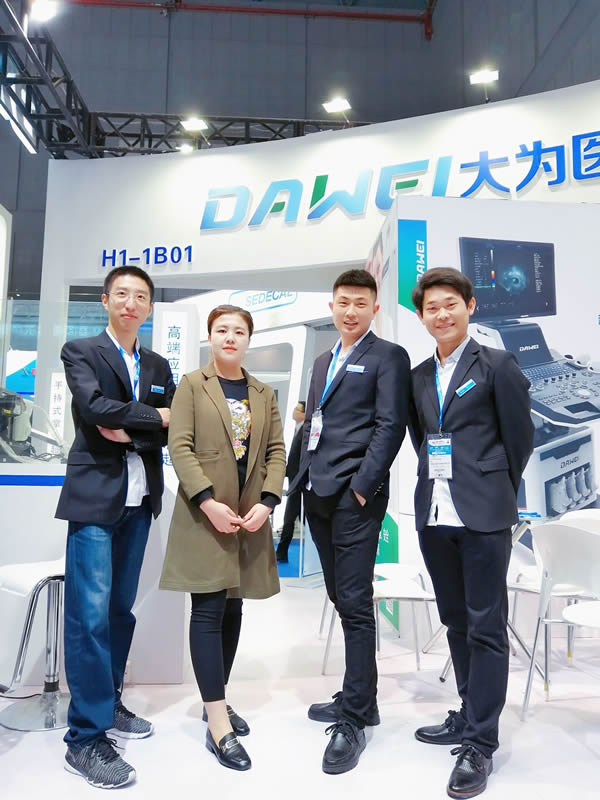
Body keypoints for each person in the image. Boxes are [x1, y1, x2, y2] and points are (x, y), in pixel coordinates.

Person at [408, 268, 534, 799]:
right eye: (431, 308)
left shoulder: (498, 365)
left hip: (483, 515)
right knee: (456, 622)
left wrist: (492, 487)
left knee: (486, 627)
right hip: (436, 513)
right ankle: (467, 712)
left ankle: (481, 743)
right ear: (422, 316)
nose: (441, 314)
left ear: (470, 306)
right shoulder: (418, 375)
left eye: (450, 304)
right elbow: (422, 437)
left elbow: (520, 438)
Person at [56, 266, 175, 789]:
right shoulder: (81, 351)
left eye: (140, 296)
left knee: (119, 610)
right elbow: (93, 408)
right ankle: (85, 738)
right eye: (122, 294)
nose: (131, 302)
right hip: (94, 499)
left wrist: (131, 432)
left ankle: (110, 702)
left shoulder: (158, 364)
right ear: (106, 300)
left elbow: (173, 425)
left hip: (140, 500)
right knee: (88, 617)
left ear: (149, 307)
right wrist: (153, 417)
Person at [289, 269, 411, 775]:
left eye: (361, 303)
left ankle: (356, 717)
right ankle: (362, 696)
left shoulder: (388, 356)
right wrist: (299, 478)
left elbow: (390, 425)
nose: (351, 311)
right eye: (343, 302)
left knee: (356, 604)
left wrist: (363, 486)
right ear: (332, 305)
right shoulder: (323, 360)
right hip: (317, 492)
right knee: (341, 597)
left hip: (355, 497)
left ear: (374, 308)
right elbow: (314, 423)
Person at [159, 304, 286, 772]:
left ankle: (219, 700)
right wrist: (207, 501)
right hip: (204, 514)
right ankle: (217, 722)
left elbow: (276, 451)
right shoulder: (192, 384)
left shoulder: (263, 393)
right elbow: (180, 447)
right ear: (210, 337)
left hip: (248, 516)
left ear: (249, 339)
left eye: (238, 331)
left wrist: (268, 501)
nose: (230, 337)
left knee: (234, 608)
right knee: (209, 609)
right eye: (221, 330)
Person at [276, 400, 306, 563]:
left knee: (290, 519)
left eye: (297, 409)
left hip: (300, 484)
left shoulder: (306, 430)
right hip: (294, 481)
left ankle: (281, 553)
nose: (294, 411)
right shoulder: (298, 429)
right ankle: (281, 553)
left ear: (304, 414)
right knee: (294, 518)